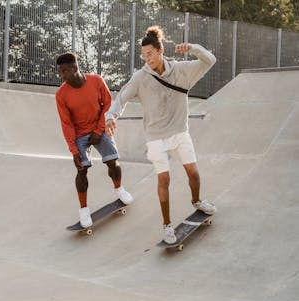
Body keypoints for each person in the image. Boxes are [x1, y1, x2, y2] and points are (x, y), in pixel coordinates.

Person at [105, 26, 217, 244]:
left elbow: (209, 60)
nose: (147, 59)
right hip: (155, 136)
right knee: (163, 178)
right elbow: (122, 97)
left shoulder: (182, 70)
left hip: (179, 132)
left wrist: (193, 48)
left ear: (160, 50)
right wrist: (111, 116)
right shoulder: (140, 77)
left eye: (150, 54)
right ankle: (167, 225)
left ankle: (196, 201)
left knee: (193, 173)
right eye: (144, 55)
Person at [55, 52, 133, 228]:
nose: (62, 76)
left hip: (99, 127)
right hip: (79, 135)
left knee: (113, 162)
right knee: (82, 170)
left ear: (75, 68)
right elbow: (66, 123)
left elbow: (107, 104)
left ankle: (119, 189)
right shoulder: (61, 94)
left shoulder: (97, 81)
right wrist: (74, 150)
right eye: (60, 72)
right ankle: (84, 210)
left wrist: (99, 130)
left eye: (65, 71)